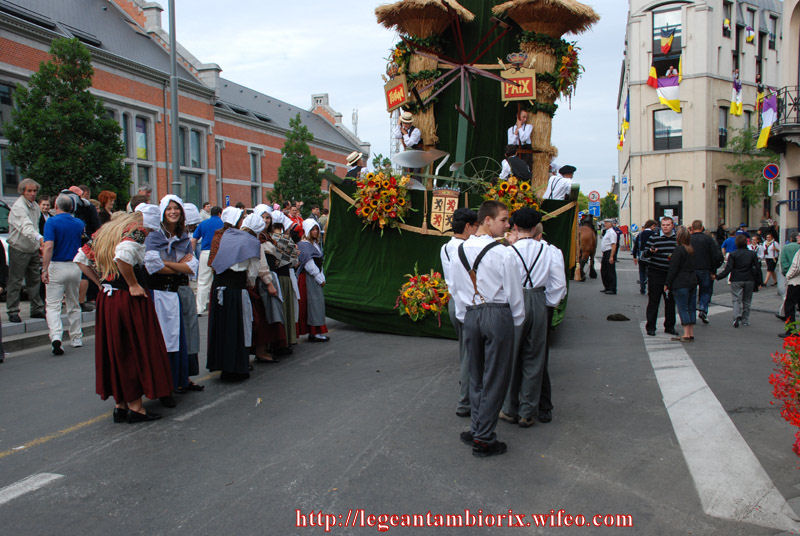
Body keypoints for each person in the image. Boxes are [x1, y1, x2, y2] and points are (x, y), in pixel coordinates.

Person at [75, 207, 173, 423]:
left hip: (108, 299)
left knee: (115, 349)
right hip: (128, 300)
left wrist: (101, 282)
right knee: (133, 348)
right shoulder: (135, 231)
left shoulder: (105, 231)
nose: (148, 233)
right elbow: (122, 257)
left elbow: (80, 259)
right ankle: (136, 408)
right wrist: (133, 284)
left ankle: (120, 404)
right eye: (150, 228)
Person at [450, 200, 524, 458]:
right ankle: (484, 439)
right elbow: (515, 294)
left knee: (476, 375)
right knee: (495, 378)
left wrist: (466, 316)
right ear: (487, 220)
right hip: (497, 313)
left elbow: (456, 290)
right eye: (503, 220)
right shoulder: (504, 252)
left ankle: (476, 428)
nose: (508, 225)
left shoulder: (459, 250)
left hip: (470, 314)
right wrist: (515, 321)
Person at [500, 208, 567, 428]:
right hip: (539, 300)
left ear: (516, 227)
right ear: (536, 227)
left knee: (510, 356)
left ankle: (510, 408)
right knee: (535, 357)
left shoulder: (507, 251)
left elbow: (501, 283)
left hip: (513, 301)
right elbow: (559, 286)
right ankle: (527, 411)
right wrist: (547, 305)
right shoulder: (551, 251)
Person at [144, 195, 203, 399]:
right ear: (162, 212)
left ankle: (181, 378)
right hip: (160, 293)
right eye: (168, 208)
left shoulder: (184, 237)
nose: (173, 212)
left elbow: (191, 267)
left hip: (179, 292)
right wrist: (178, 267)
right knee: (165, 340)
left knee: (183, 337)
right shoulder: (154, 237)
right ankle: (165, 384)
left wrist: (167, 264)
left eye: (176, 208)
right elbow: (153, 267)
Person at [207, 213, 264, 381]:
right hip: (236, 291)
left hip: (218, 288)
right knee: (238, 328)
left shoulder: (228, 236)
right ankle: (237, 366)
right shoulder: (252, 242)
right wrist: (250, 282)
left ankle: (223, 365)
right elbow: (252, 273)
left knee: (222, 328)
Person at [440, 208, 478, 418]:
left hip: (453, 302)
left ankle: (467, 393)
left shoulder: (445, 247)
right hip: (468, 303)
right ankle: (465, 401)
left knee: (465, 350)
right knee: (470, 354)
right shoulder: (467, 248)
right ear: (468, 227)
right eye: (475, 226)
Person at [41, 193, 85, 355]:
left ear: (56, 206)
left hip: (56, 265)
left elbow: (48, 246)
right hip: (74, 266)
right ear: (71, 207)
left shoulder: (51, 222)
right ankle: (76, 337)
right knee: (73, 303)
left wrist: (44, 269)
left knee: (53, 305)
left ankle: (56, 336)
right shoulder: (79, 223)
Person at [7, 178, 45, 323]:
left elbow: (36, 226)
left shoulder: (35, 206)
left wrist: (38, 244)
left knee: (34, 279)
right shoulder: (19, 207)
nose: (33, 193)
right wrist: (39, 239)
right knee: (16, 280)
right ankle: (13, 310)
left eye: (35, 191)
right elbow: (26, 226)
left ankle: (36, 308)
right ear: (23, 191)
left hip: (32, 247)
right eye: (29, 191)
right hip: (19, 248)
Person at [251, 206, 284, 362]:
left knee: (271, 314)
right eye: (262, 217)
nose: (265, 220)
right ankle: (261, 350)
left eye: (268, 217)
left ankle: (270, 346)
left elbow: (281, 256)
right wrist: (268, 282)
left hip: (271, 277)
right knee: (263, 317)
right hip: (262, 281)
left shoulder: (268, 237)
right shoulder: (257, 238)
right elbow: (260, 263)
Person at [642, 216, 678, 336]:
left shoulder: (677, 238)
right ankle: (651, 327)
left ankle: (670, 326)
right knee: (654, 301)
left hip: (671, 274)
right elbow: (644, 254)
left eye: (668, 225)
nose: (665, 227)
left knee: (670, 302)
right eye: (663, 225)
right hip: (656, 272)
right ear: (660, 226)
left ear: (672, 225)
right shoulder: (654, 237)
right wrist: (650, 251)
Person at [296, 218, 329, 342]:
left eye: (316, 229)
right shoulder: (304, 245)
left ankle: (316, 331)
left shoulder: (313, 244)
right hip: (309, 279)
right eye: (313, 229)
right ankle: (314, 332)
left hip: (315, 277)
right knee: (313, 304)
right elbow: (309, 265)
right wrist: (320, 278)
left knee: (317, 304)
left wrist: (321, 275)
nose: (315, 232)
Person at [716, 234, 760, 328]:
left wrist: (718, 276)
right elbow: (757, 268)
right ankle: (745, 320)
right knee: (747, 300)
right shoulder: (752, 254)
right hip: (749, 279)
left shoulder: (733, 254)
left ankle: (736, 316)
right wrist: (759, 281)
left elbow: (728, 269)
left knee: (736, 299)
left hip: (736, 278)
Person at [666, 226, 698, 342]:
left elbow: (673, 269)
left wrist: (667, 283)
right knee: (691, 307)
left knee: (682, 307)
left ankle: (685, 333)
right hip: (692, 281)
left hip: (680, 282)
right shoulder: (691, 249)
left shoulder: (678, 250)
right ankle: (690, 332)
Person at [689, 220, 723, 324]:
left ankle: (691, 313)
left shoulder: (688, 239)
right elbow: (716, 256)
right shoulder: (709, 239)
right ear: (702, 227)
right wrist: (713, 270)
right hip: (706, 269)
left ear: (692, 228)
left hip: (691, 270)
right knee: (706, 290)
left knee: (692, 291)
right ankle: (703, 308)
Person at [192, 206, 223, 315]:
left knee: (203, 281)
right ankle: (219, 306)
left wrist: (192, 254)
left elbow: (194, 239)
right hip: (220, 253)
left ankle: (199, 308)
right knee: (220, 280)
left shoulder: (203, 223)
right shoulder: (223, 223)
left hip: (205, 253)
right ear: (220, 213)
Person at [632, 220, 658, 295]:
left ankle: (642, 288)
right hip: (650, 256)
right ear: (652, 226)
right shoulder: (654, 234)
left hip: (641, 256)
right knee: (650, 274)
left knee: (642, 272)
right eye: (654, 226)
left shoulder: (640, 234)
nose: (655, 228)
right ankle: (650, 290)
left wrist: (634, 256)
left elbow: (636, 246)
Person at [600, 218, 618, 294]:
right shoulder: (607, 232)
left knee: (610, 271)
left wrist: (611, 256)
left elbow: (613, 245)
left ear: (610, 224)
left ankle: (612, 288)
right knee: (604, 271)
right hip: (605, 253)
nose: (605, 224)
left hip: (609, 252)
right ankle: (607, 287)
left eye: (606, 223)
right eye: (605, 223)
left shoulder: (612, 233)